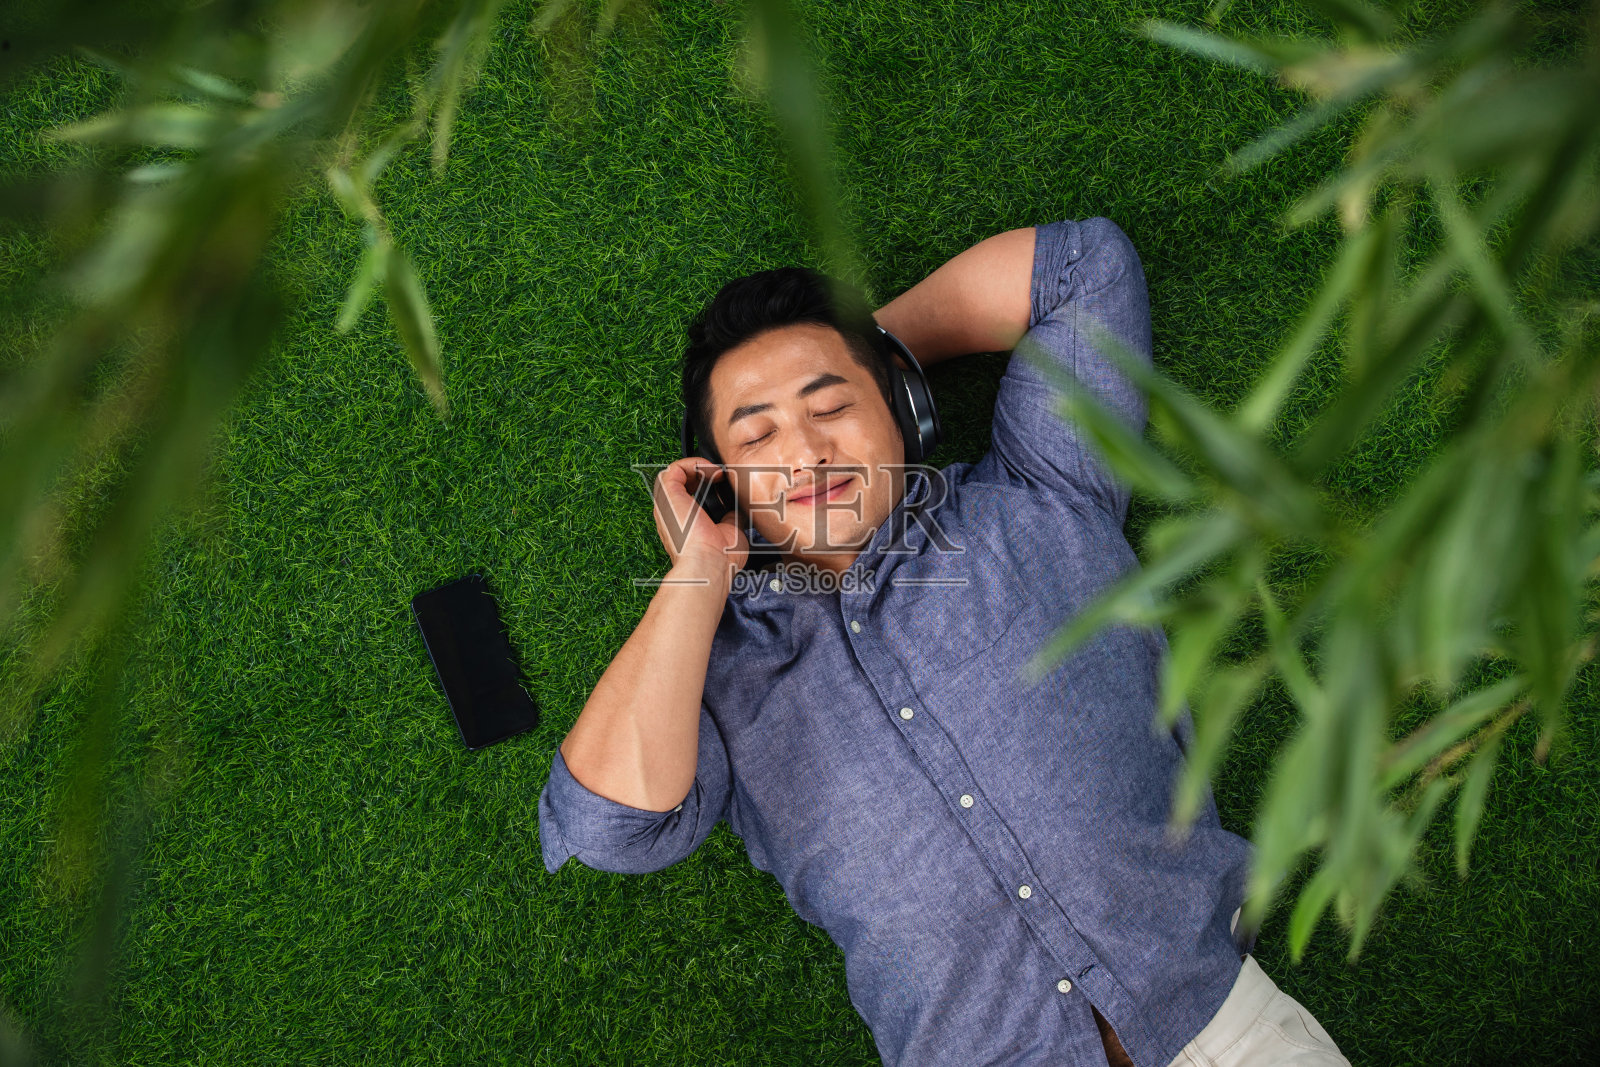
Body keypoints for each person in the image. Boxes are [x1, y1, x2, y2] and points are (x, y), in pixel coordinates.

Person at [538, 217, 1352, 1067]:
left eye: (830, 406)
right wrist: (698, 574)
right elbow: (610, 828)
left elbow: (1083, 268)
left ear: (903, 406)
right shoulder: (717, 670)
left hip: (1227, 1030)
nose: (808, 451)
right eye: (758, 436)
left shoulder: (1041, 488)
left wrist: (870, 353)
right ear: (724, 482)